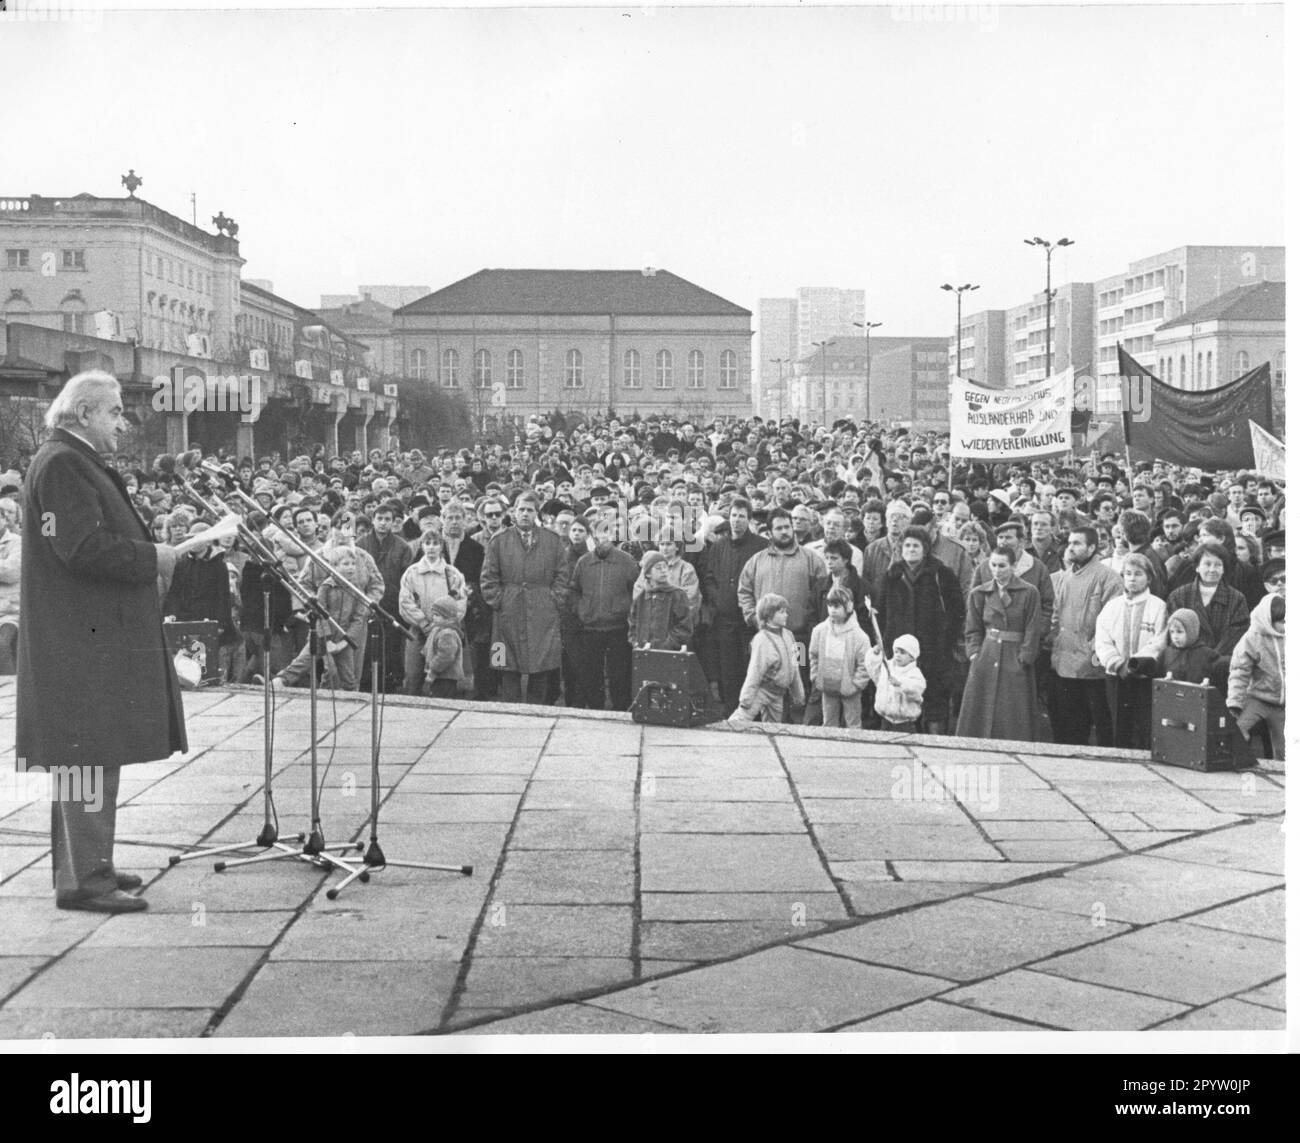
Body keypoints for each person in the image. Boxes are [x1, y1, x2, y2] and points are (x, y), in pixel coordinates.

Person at [16, 371, 189, 914]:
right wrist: (154, 558)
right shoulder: (65, 463)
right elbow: (83, 548)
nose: (122, 420)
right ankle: (85, 881)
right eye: (114, 411)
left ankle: (90, 865)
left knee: (89, 752)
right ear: (85, 412)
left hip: (81, 636)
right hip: (79, 640)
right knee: (85, 753)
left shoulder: (67, 458)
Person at [481, 491, 568, 704]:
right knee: (504, 664)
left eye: (530, 510)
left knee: (541, 665)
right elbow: (488, 578)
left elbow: (563, 576)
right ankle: (509, 713)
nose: (525, 514)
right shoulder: (499, 541)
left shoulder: (552, 540)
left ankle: (537, 712)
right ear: (513, 512)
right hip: (507, 613)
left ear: (536, 513)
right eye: (521, 509)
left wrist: (553, 599)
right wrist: (500, 601)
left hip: (542, 612)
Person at [877, 526, 963, 735]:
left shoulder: (941, 574)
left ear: (925, 549)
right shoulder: (892, 576)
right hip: (900, 654)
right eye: (907, 545)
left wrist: (945, 643)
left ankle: (935, 746)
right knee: (901, 699)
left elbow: (956, 611)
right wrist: (888, 645)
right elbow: (882, 612)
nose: (911, 550)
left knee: (934, 702)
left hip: (934, 652)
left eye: (916, 545)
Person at [956, 545, 1042, 742]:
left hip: (1015, 655)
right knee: (981, 709)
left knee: (1013, 712)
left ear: (1013, 566)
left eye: (1002, 565)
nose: (996, 570)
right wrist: (974, 653)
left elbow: (1032, 628)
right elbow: (973, 628)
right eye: (993, 565)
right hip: (987, 654)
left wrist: (1025, 657)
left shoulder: (1029, 593)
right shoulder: (979, 593)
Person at [1050, 527, 1122, 747]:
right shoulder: (1064, 577)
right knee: (1069, 723)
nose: (1071, 547)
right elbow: (1056, 615)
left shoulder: (1108, 578)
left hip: (1093, 664)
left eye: (1077, 543)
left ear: (1092, 547)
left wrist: (1095, 651)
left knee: (1100, 723)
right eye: (1070, 543)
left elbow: (1112, 622)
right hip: (1064, 660)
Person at [1094, 553, 1167, 750]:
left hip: (1143, 678)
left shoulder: (1158, 607)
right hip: (1116, 677)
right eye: (1128, 574)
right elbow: (1102, 639)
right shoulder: (1112, 606)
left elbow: (1158, 641)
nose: (1132, 578)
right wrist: (1117, 663)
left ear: (1149, 578)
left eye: (1138, 574)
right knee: (1119, 726)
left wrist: (1136, 664)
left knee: (1144, 726)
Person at [699, 497, 766, 712]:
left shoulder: (760, 546)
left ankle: (750, 713)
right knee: (728, 669)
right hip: (724, 620)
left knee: (751, 668)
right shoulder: (719, 546)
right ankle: (730, 711)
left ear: (749, 520)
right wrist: (717, 599)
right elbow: (709, 577)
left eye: (742, 516)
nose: (737, 521)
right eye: (734, 516)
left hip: (749, 621)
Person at [273, 546, 370, 692]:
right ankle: (279, 681)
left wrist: (345, 642)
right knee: (303, 662)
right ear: (334, 566)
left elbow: (358, 618)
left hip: (343, 639)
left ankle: (350, 700)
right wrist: (328, 639)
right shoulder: (326, 588)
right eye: (345, 564)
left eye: (352, 564)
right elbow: (320, 615)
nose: (350, 568)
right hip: (321, 636)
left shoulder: (356, 589)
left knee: (349, 677)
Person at [568, 519, 640, 708]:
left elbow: (637, 590)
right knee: (591, 674)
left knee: (619, 675)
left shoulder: (626, 561)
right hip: (591, 627)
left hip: (618, 627)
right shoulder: (584, 562)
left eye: (607, 533)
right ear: (592, 536)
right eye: (599, 534)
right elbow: (574, 589)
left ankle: (620, 710)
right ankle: (595, 709)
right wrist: (581, 609)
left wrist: (626, 611)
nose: (603, 538)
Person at [1165, 542, 1250, 694]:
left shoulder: (1237, 599)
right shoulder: (1179, 596)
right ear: (1197, 567)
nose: (1212, 569)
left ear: (1224, 569)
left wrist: (1209, 659)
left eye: (1218, 565)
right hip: (1184, 669)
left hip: (1221, 671)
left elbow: (1236, 635)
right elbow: (1172, 635)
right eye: (1207, 564)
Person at [398, 527, 469, 694]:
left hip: (444, 632)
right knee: (413, 674)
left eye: (435, 543)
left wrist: (444, 623)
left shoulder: (452, 574)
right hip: (418, 629)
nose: (431, 547)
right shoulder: (412, 572)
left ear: (441, 546)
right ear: (422, 546)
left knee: (442, 675)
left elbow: (460, 602)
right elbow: (405, 601)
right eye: (427, 543)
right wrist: (422, 622)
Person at [731, 593, 805, 723]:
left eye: (786, 612)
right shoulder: (762, 639)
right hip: (762, 690)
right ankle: (725, 736)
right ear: (769, 616)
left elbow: (795, 666)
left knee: (773, 727)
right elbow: (755, 671)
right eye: (781, 612)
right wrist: (746, 699)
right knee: (741, 718)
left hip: (778, 693)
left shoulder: (789, 636)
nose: (786, 615)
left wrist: (798, 693)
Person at [1227, 594, 1285, 760]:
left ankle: (1282, 775)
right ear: (1268, 620)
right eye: (1282, 622)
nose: (1286, 627)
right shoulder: (1251, 639)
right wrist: (1235, 702)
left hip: (1282, 704)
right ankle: (1236, 759)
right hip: (1257, 698)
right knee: (1238, 729)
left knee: (1284, 746)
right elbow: (1239, 672)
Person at [808, 586, 872, 728]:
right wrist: (815, 675)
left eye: (837, 606)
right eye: (830, 605)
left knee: (853, 723)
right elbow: (813, 655)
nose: (832, 610)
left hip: (850, 689)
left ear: (849, 607)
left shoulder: (859, 636)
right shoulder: (819, 631)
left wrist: (856, 684)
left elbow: (865, 663)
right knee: (829, 722)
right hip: (827, 685)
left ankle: (853, 749)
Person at [629, 550, 693, 651]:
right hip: (643, 653)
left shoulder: (677, 595)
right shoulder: (641, 597)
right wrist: (636, 642)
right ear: (648, 574)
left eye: (665, 567)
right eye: (658, 568)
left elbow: (684, 626)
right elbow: (633, 623)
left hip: (669, 654)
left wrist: (666, 646)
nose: (663, 571)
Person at [864, 632, 927, 732]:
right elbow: (874, 671)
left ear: (912, 657)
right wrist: (875, 655)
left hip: (905, 723)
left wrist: (901, 683)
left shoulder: (915, 673)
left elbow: (917, 688)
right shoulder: (887, 668)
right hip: (886, 720)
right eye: (896, 652)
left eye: (902, 653)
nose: (898, 655)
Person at [1154, 608, 1218, 686]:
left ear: (1191, 631)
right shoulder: (1166, 654)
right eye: (1172, 632)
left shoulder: (1208, 655)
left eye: (1179, 632)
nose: (1175, 636)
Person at [0, 496, 20, 674]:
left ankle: (9, 692)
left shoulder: (17, 541)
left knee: (1, 645)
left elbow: (11, 572)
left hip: (9, 611)